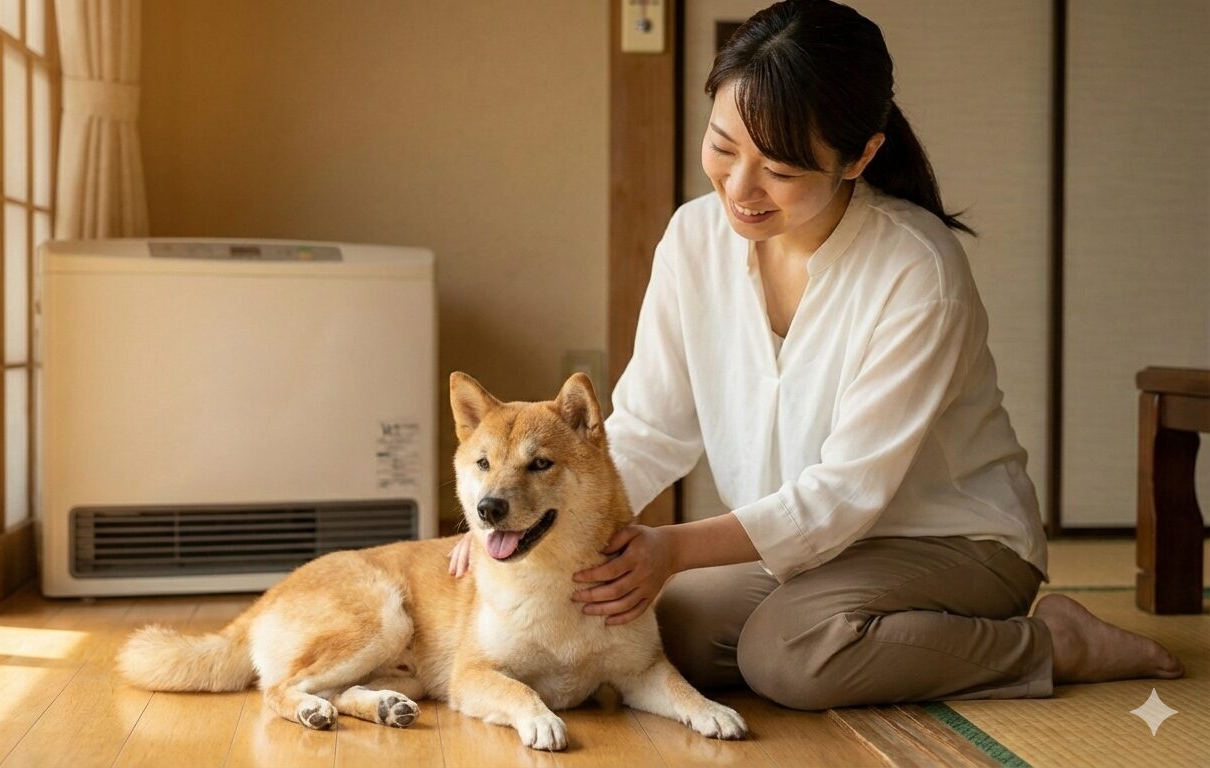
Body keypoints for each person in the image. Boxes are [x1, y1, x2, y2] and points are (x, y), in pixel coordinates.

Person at [449, 0, 1182, 709]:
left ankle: (1053, 643)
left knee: (788, 655)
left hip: (952, 543)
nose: (739, 189)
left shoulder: (915, 270)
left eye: (781, 169)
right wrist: (512, 527)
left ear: (860, 155)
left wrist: (670, 548)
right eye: (723, 146)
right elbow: (647, 428)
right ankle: (844, 627)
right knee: (642, 622)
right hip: (804, 551)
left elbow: (847, 493)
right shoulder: (693, 240)